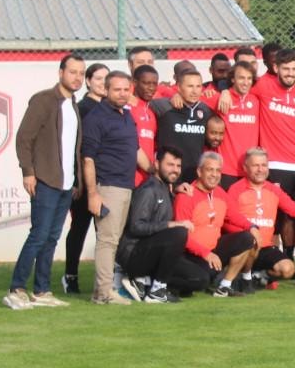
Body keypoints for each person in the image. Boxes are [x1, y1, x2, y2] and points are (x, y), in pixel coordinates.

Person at [3, 54, 85, 310]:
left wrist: (76, 180)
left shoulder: (73, 105)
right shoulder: (44, 100)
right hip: (45, 180)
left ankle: (41, 290)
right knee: (38, 236)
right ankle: (16, 288)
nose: (77, 77)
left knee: (51, 238)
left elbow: (73, 148)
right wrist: (28, 172)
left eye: (81, 73)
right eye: (72, 72)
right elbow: (23, 138)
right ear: (61, 73)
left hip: (66, 184)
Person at [253, 48, 295, 286]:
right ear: (276, 68)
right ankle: (271, 269)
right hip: (275, 166)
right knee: (274, 221)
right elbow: (239, 85)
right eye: (286, 69)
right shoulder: (263, 87)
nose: (290, 73)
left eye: (294, 69)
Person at [226, 148, 295, 291]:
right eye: (255, 165)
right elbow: (227, 221)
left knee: (288, 269)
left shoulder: (274, 190)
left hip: (264, 247)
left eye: (264, 165)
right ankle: (238, 276)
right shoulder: (235, 189)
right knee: (246, 245)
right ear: (245, 168)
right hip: (244, 247)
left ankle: (257, 276)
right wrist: (247, 234)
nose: (260, 170)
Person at [80, 70, 139, 305]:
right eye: (117, 89)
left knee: (112, 240)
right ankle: (105, 293)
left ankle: (100, 292)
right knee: (107, 240)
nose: (122, 94)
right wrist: (93, 194)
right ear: (105, 90)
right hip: (107, 186)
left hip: (125, 186)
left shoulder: (126, 115)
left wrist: (154, 170)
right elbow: (88, 159)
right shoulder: (96, 118)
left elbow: (135, 151)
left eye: (126, 89)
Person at [173, 152, 259, 298]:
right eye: (210, 170)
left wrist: (252, 227)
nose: (214, 174)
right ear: (199, 171)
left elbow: (234, 215)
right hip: (191, 254)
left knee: (246, 238)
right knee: (202, 280)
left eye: (218, 170)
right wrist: (206, 253)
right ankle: (168, 284)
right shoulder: (186, 196)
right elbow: (182, 236)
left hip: (214, 250)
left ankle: (224, 286)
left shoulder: (220, 192)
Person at [116, 146, 194, 304]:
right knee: (179, 232)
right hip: (133, 255)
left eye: (178, 166)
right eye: (170, 165)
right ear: (157, 164)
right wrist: (171, 225)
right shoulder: (148, 190)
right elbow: (136, 226)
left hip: (152, 253)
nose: (175, 170)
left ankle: (144, 283)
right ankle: (156, 290)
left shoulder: (166, 188)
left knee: (199, 278)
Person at [60, 61, 108, 295]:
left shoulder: (111, 109)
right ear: (88, 81)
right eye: (98, 78)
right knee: (79, 228)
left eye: (106, 79)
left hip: (105, 180)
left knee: (104, 232)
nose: (102, 83)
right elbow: (75, 149)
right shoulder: (81, 108)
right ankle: (70, 276)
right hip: (83, 181)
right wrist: (78, 181)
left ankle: (104, 280)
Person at [155, 65, 213, 185]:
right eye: (190, 86)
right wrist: (172, 95)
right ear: (179, 87)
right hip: (168, 175)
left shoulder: (206, 110)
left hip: (194, 175)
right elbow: (143, 99)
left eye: (198, 86)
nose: (195, 91)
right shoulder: (164, 106)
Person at [217, 62, 260, 190]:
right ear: (232, 79)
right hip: (226, 170)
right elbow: (195, 98)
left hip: (250, 170)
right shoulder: (222, 99)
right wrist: (177, 96)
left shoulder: (256, 100)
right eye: (241, 78)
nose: (246, 82)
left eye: (249, 78)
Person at [128, 63, 159, 189]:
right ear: (135, 83)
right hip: (129, 178)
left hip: (147, 179)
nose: (151, 88)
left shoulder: (151, 112)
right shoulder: (127, 108)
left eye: (154, 84)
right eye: (146, 83)